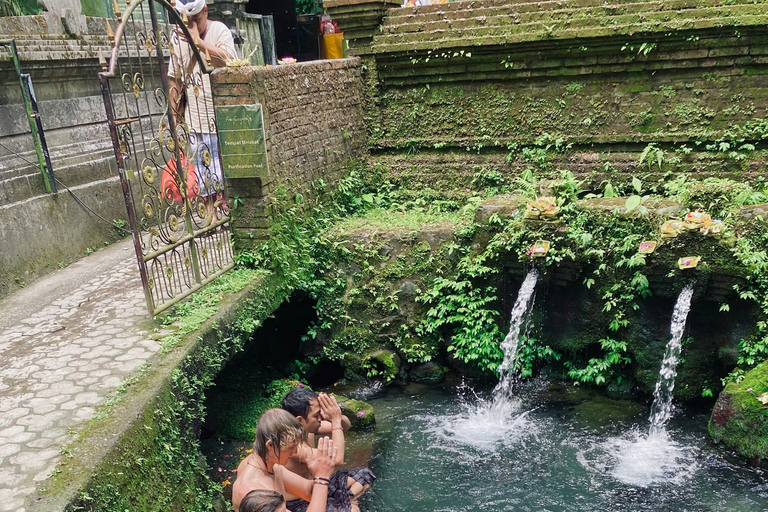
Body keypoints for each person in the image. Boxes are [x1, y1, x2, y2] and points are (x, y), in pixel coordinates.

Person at [168, 0, 235, 222]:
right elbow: (175, 80)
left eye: (195, 20)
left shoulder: (219, 30)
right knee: (203, 169)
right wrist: (175, 118)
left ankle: (227, 209)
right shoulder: (176, 40)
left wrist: (197, 42)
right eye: (187, 21)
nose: (191, 25)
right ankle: (210, 214)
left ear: (205, 11)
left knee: (222, 167)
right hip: (195, 117)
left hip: (221, 115)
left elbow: (229, 60)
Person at [282, 388, 375, 512]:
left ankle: (349, 497)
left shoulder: (307, 428)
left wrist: (336, 415)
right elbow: (337, 459)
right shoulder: (293, 446)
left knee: (365, 474)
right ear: (300, 420)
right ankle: (347, 503)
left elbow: (346, 426)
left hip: (317, 485)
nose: (320, 419)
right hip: (299, 502)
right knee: (353, 510)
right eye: (316, 415)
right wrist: (335, 421)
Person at [232, 408, 338, 512]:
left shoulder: (270, 466)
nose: (296, 452)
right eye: (291, 447)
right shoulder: (252, 491)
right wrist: (322, 479)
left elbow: (307, 491)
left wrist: (321, 471)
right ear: (270, 445)